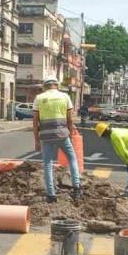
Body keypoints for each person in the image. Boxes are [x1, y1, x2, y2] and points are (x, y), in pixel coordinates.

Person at [33, 76, 83, 204]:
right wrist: (70, 135)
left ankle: (51, 194)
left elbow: (35, 121)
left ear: (45, 86)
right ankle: (76, 187)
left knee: (48, 164)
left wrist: (36, 140)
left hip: (45, 135)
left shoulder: (39, 98)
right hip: (62, 134)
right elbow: (70, 119)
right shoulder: (65, 96)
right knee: (72, 159)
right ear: (57, 85)